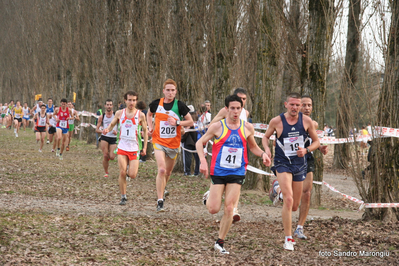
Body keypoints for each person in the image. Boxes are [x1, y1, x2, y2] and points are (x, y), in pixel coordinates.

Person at [197, 95, 271, 254]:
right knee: (213, 209)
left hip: (237, 172)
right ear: (226, 109)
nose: (236, 111)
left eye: (239, 108)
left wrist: (263, 154)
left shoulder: (247, 128)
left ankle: (220, 242)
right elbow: (199, 143)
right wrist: (203, 161)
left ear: (242, 110)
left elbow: (253, 147)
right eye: (232, 108)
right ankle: (209, 196)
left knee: (230, 208)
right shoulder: (217, 127)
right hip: (219, 171)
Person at [262, 92, 320, 251]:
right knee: (288, 199)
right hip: (282, 163)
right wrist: (267, 150)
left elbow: (317, 142)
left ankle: (277, 188)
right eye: (292, 104)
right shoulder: (276, 121)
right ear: (286, 104)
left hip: (299, 164)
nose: (295, 107)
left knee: (294, 205)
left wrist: (306, 150)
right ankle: (288, 238)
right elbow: (265, 137)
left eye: (298, 105)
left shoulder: (307, 121)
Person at [147, 79, 193, 212]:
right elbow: (149, 114)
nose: (170, 92)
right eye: (168, 90)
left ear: (176, 92)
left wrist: (178, 122)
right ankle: (160, 200)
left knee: (167, 172)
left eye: (173, 90)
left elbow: (190, 122)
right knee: (161, 170)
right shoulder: (156, 103)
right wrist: (150, 127)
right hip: (158, 142)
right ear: (163, 91)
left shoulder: (180, 105)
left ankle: (163, 188)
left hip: (173, 144)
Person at [208, 87, 250, 222]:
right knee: (215, 204)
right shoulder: (225, 110)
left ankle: (234, 209)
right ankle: (211, 194)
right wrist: (220, 129)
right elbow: (212, 124)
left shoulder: (246, 113)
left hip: (238, 153)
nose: (241, 102)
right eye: (240, 98)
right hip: (222, 150)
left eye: (244, 99)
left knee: (236, 182)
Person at [291, 95, 328, 240]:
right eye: (304, 105)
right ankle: (277, 188)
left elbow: (314, 141)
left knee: (307, 192)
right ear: (297, 106)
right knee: (291, 197)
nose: (307, 108)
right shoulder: (287, 121)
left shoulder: (314, 124)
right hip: (289, 159)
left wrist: (321, 148)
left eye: (309, 105)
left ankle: (299, 228)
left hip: (306, 158)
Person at [103, 91, 148, 205]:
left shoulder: (140, 115)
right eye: (129, 100)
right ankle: (123, 196)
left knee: (132, 175)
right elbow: (113, 123)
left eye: (133, 100)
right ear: (125, 101)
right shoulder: (119, 113)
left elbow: (146, 131)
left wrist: (145, 147)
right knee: (122, 172)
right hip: (122, 146)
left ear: (136, 101)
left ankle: (129, 175)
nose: (131, 102)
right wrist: (108, 129)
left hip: (134, 147)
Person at [96, 99, 118, 178]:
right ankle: (106, 172)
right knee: (105, 155)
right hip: (104, 137)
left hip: (114, 138)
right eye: (107, 105)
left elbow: (121, 127)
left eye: (110, 105)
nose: (109, 106)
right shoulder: (102, 116)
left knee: (112, 157)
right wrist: (102, 131)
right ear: (105, 106)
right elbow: (97, 129)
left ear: (112, 106)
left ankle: (108, 159)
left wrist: (117, 132)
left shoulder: (116, 115)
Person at [181, 105, 199, 176]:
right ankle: (197, 172)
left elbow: (185, 131)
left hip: (188, 140)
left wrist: (182, 138)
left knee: (187, 157)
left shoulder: (186, 120)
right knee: (197, 157)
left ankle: (187, 172)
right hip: (197, 140)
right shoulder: (198, 118)